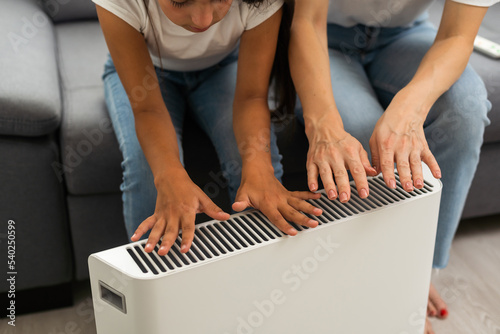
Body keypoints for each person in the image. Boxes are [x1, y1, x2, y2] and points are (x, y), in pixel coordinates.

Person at [289, 0, 497, 333]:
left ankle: (418, 273)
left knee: (467, 111)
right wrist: (323, 127)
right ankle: (375, 281)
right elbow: (307, 22)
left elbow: (456, 36)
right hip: (323, 34)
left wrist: (410, 109)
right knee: (362, 136)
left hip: (404, 34)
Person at [93, 0, 321, 257]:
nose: (203, 20)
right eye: (180, 1)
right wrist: (170, 175)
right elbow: (148, 110)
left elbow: (252, 97)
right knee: (146, 169)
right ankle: (157, 286)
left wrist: (259, 167)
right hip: (149, 72)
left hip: (222, 67)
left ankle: (264, 275)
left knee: (260, 172)